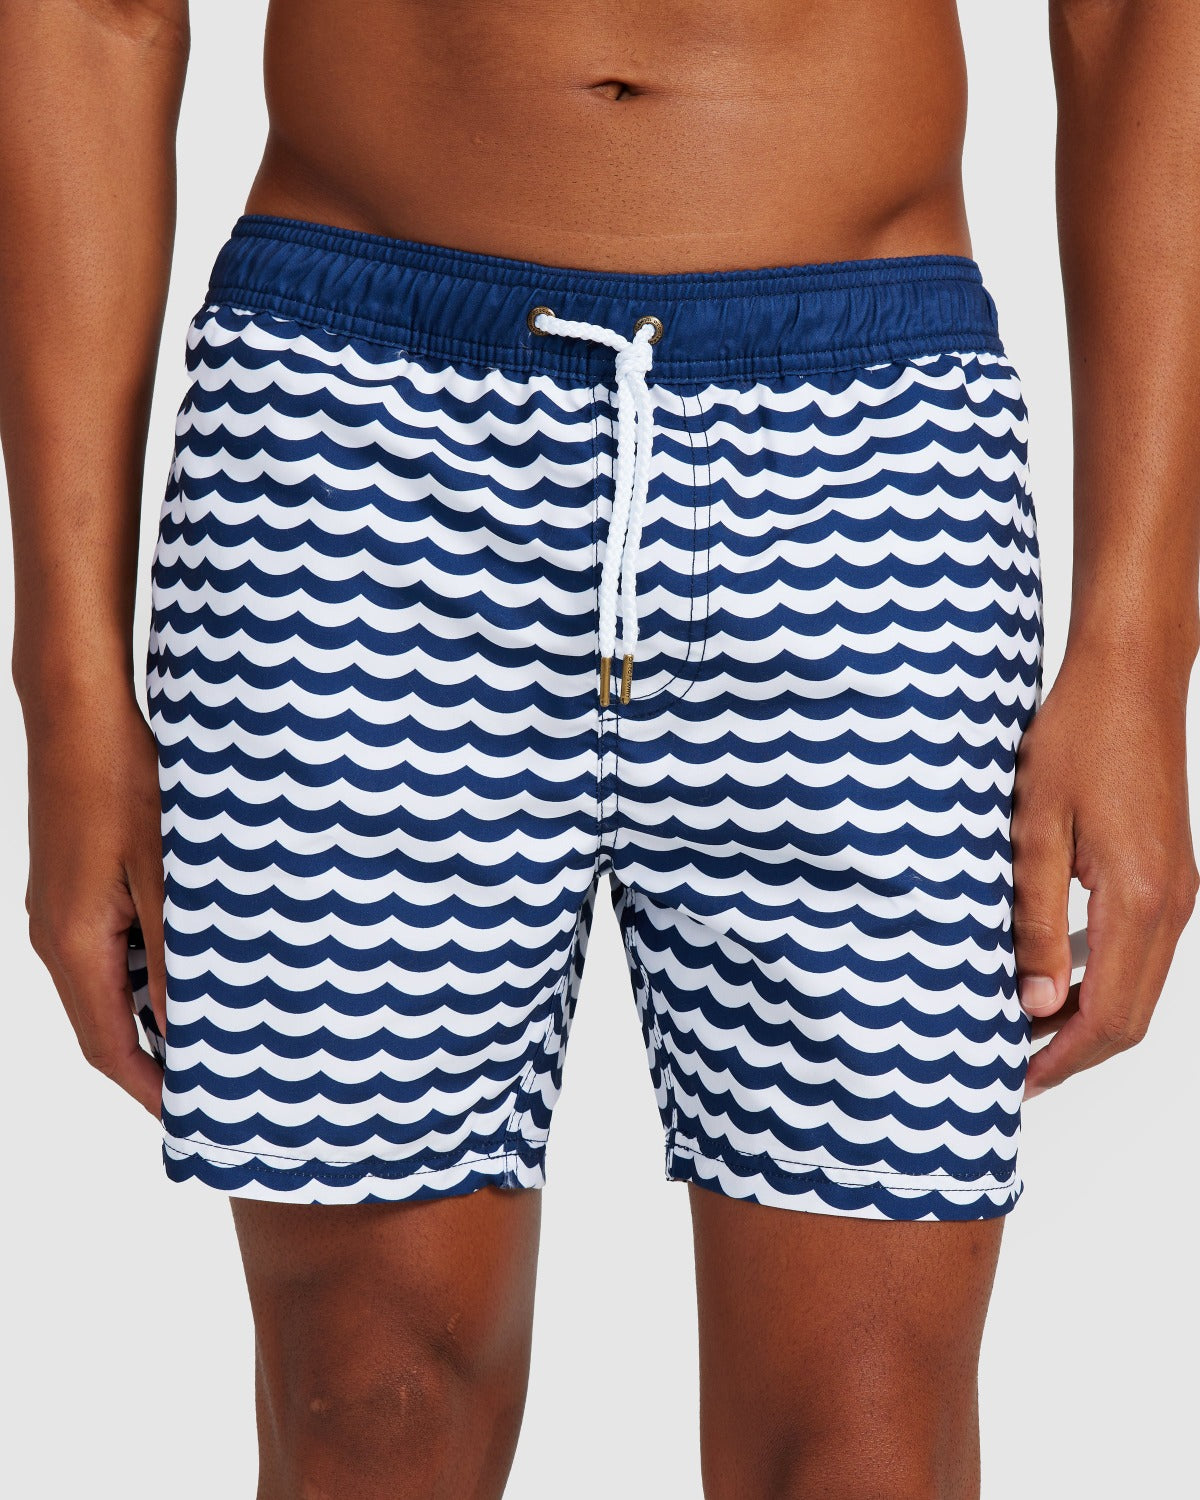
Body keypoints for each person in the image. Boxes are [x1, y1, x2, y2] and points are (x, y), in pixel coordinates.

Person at [2, 3, 1197, 1497]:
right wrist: (65, 682)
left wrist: (1141, 650)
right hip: (354, 456)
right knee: (369, 1398)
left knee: (864, 1434)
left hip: (865, 469)